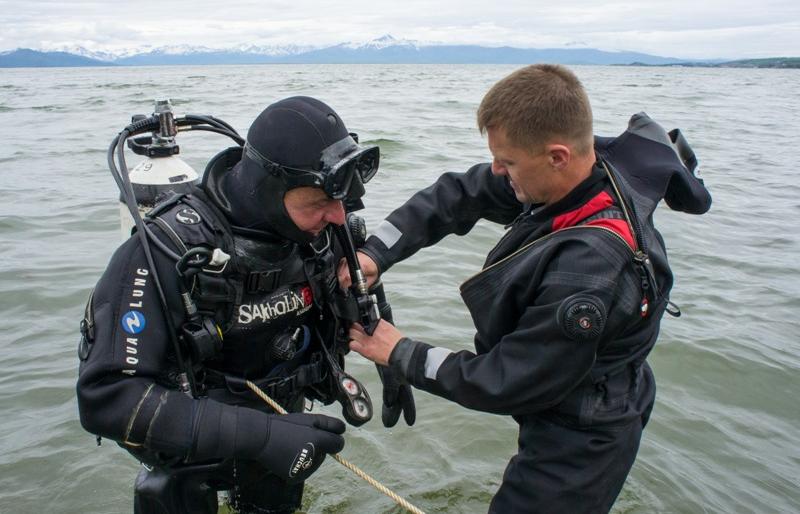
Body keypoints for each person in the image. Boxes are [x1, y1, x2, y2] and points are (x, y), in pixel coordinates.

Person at [343, 65, 712, 513]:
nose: (498, 170)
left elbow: (508, 380)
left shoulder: (589, 271)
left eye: (508, 162)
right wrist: (375, 254)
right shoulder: (576, 173)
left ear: (558, 155)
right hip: (572, 380)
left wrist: (402, 352)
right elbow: (459, 194)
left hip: (584, 430)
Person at [77, 96, 413, 514]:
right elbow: (105, 397)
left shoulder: (321, 231)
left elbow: (354, 295)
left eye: (341, 203)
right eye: (319, 204)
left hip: (285, 430)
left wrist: (391, 358)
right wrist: (262, 436)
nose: (339, 218)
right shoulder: (163, 251)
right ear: (272, 190)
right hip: (192, 442)